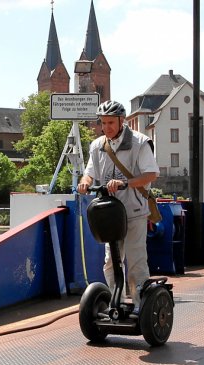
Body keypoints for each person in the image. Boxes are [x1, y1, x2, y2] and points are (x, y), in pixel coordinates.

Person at [77, 100, 159, 309]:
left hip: (134, 211)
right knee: (111, 262)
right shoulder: (97, 146)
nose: (106, 128)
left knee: (136, 261)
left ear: (122, 121)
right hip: (110, 214)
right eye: (103, 123)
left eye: (111, 123)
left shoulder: (140, 142)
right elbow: (89, 172)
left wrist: (125, 183)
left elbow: (151, 174)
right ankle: (118, 303)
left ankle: (142, 307)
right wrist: (85, 183)